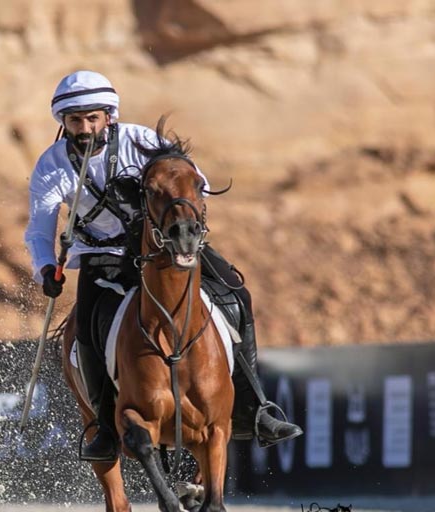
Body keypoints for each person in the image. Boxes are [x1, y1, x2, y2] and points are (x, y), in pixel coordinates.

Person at [24, 70, 303, 462]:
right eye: (75, 121)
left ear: (109, 116)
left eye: (92, 119)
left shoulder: (141, 141)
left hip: (163, 244)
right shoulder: (51, 165)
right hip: (102, 257)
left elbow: (194, 181)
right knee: (85, 327)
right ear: (64, 122)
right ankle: (105, 426)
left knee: (236, 295)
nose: (84, 129)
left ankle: (255, 408)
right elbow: (39, 229)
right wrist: (45, 268)